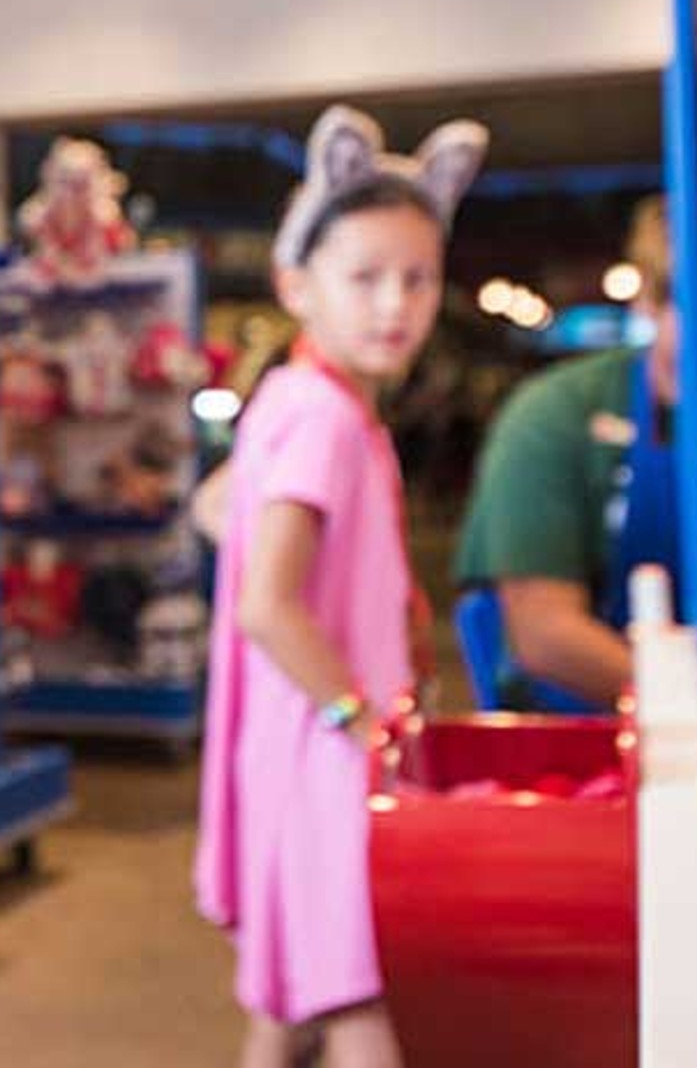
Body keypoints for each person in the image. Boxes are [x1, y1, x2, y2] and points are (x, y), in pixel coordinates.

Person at [195, 104, 488, 1068]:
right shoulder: (324, 419)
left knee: (289, 1009)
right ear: (298, 284)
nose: (394, 304)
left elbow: (215, 506)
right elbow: (267, 604)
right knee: (357, 1002)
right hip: (327, 760)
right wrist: (363, 722)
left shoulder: (296, 398)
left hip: (290, 748)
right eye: (364, 278)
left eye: (418, 277)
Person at [453, 196, 680, 709]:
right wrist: (686, 708)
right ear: (647, 301)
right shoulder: (556, 414)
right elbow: (544, 631)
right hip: (589, 727)